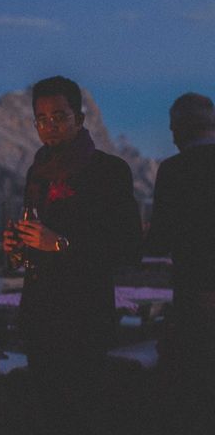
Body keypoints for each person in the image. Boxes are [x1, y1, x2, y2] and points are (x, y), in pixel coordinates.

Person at [2, 76, 142, 433]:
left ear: (80, 119)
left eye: (59, 117)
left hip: (84, 317)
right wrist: (17, 249)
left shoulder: (108, 171)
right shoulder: (38, 172)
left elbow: (127, 246)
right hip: (39, 315)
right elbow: (35, 235)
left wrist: (61, 244)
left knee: (81, 413)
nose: (50, 127)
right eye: (42, 119)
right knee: (46, 413)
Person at [146, 92, 215, 432]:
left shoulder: (174, 171)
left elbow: (159, 240)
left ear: (178, 130)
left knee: (197, 389)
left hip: (194, 298)